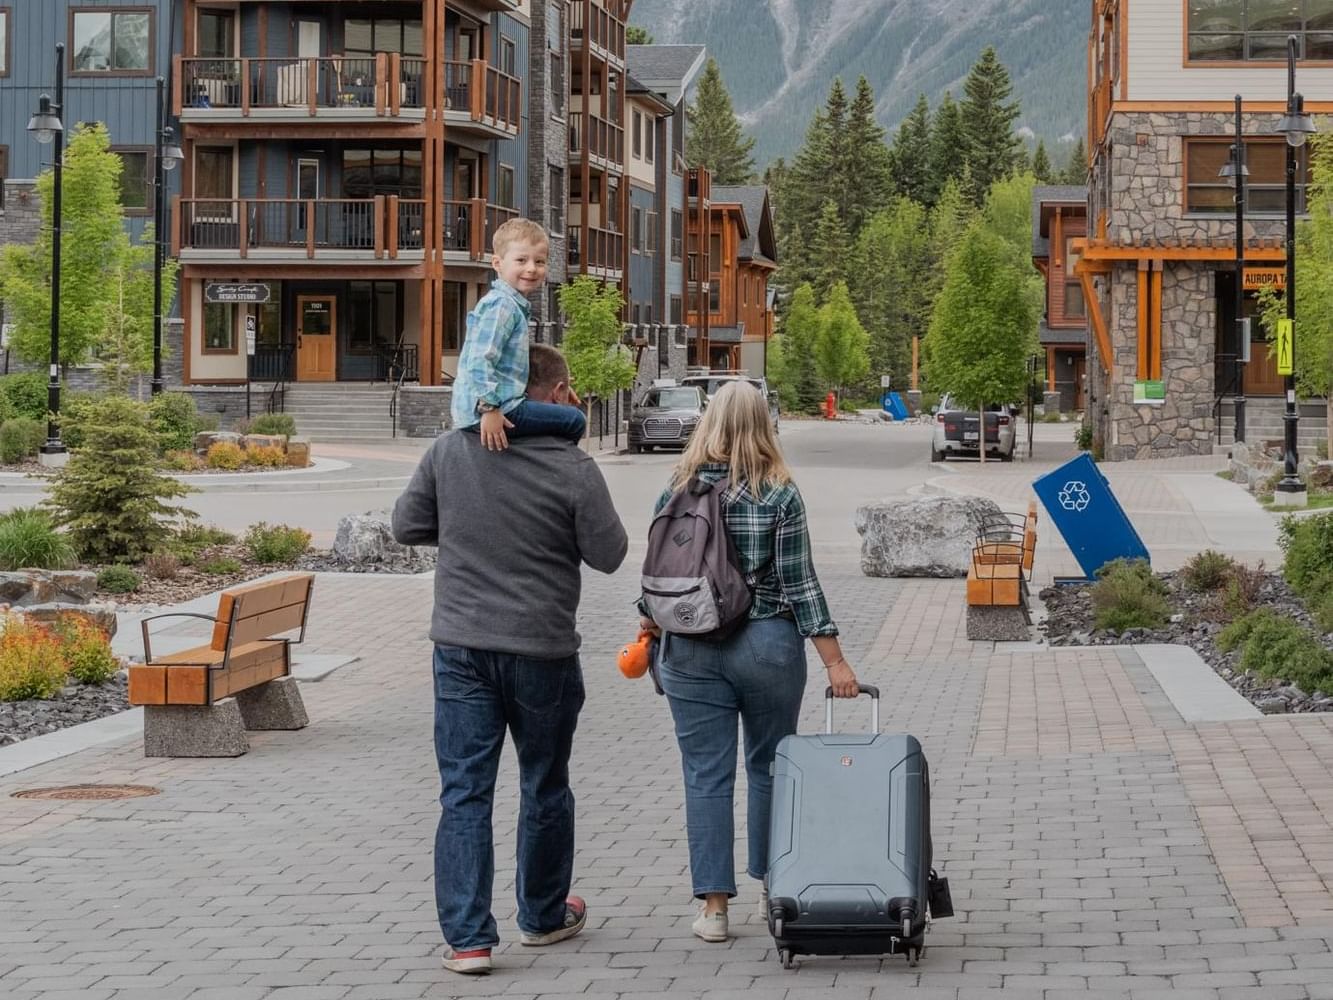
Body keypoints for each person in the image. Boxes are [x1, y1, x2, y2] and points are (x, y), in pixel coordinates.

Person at [393, 344, 628, 975]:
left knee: (465, 792)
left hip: (462, 648)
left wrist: (469, 524)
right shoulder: (572, 466)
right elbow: (609, 554)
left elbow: (405, 526)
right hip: (542, 650)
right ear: (552, 393)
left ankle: (469, 940)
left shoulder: (450, 450)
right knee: (544, 783)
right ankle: (544, 916)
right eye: (571, 387)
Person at [637, 381, 860, 944]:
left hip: (688, 647)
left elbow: (657, 575)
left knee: (705, 776)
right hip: (767, 644)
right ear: (764, 425)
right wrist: (835, 661)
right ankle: (773, 888)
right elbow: (801, 584)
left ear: (708, 423)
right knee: (768, 768)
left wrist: (647, 627)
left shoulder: (676, 490)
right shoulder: (779, 493)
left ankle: (714, 908)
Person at [450, 217, 586, 450]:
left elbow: (512, 361)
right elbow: (479, 361)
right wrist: (490, 410)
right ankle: (547, 465)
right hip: (494, 408)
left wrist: (558, 384)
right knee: (574, 420)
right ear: (497, 263)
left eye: (540, 261)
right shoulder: (502, 306)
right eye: (521, 260)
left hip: (499, 403)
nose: (531, 268)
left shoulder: (511, 305)